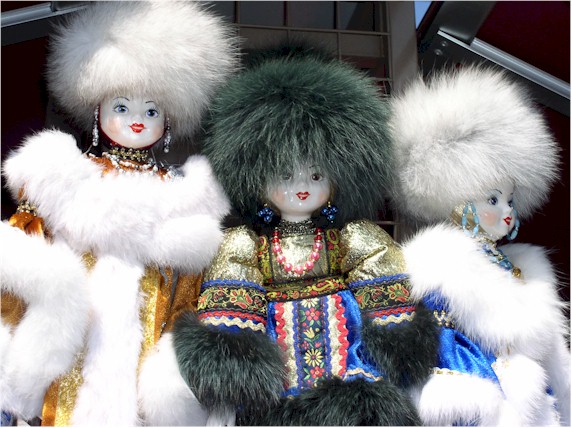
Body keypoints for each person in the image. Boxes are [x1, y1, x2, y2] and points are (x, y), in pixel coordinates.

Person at [172, 47, 439, 426]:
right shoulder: (246, 242)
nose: (302, 187)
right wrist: (237, 355)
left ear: (338, 177)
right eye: (285, 175)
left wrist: (395, 332)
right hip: (281, 357)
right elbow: (234, 301)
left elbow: (381, 284)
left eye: (315, 176)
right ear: (257, 179)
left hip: (345, 352)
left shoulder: (352, 236)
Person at [0, 1, 237, 425]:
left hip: (145, 357)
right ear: (98, 111)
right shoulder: (65, 178)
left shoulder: (183, 197)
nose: (137, 121)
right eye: (122, 107)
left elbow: (188, 297)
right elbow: (25, 270)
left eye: (152, 110)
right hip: (73, 351)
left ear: (169, 121)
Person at [390, 65, 570, 426]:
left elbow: (554, 361)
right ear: (457, 197)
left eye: (509, 199)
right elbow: (440, 352)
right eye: (493, 199)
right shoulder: (436, 268)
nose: (507, 210)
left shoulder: (523, 268)